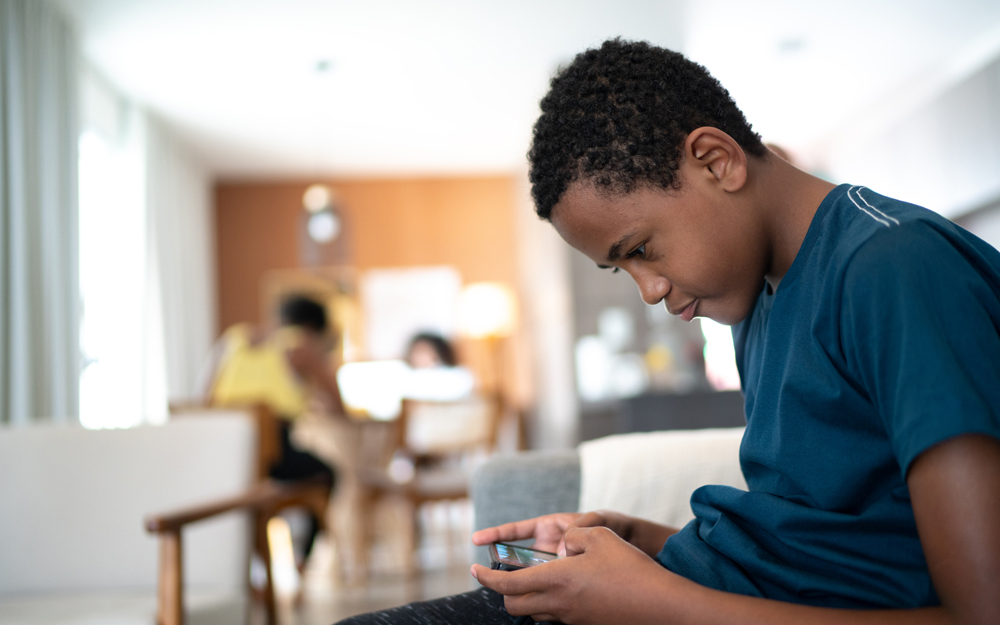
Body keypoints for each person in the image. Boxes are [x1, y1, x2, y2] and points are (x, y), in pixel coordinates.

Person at [337, 39, 1000, 624]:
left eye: (643, 249)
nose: (650, 290)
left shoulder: (896, 269)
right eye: (620, 268)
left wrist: (655, 602)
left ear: (716, 161)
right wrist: (645, 544)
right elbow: (828, 545)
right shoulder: (758, 296)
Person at [207, 294, 344, 563]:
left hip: (219, 457)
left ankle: (256, 557)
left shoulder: (230, 340)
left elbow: (203, 401)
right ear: (311, 327)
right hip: (272, 457)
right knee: (327, 475)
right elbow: (338, 404)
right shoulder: (300, 345)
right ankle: (303, 558)